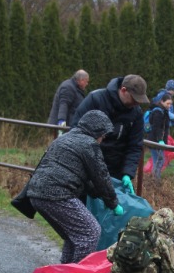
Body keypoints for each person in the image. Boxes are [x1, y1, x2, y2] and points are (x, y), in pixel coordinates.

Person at [24, 110, 122, 265]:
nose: (102, 139)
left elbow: (79, 176)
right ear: (96, 131)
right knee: (90, 232)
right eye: (103, 135)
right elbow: (101, 176)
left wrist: (99, 195)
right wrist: (114, 203)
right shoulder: (89, 144)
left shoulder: (65, 138)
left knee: (73, 236)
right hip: (57, 195)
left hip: (36, 194)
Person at [69, 74, 149, 194]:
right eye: (134, 99)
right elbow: (76, 131)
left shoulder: (136, 113)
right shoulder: (95, 99)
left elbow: (135, 145)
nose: (136, 103)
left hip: (115, 170)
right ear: (123, 90)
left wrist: (127, 173)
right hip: (88, 166)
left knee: (110, 201)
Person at [91, 207, 174, 273]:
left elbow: (110, 254)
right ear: (171, 225)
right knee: (160, 265)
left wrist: (128, 263)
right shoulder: (164, 242)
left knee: (124, 267)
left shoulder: (135, 232)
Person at [147, 95, 172, 181]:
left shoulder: (164, 111)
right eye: (168, 103)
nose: (169, 106)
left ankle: (155, 179)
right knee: (159, 160)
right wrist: (160, 140)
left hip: (158, 140)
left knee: (159, 160)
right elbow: (157, 128)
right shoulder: (158, 112)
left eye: (170, 104)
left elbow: (164, 126)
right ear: (162, 102)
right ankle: (156, 180)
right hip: (155, 141)